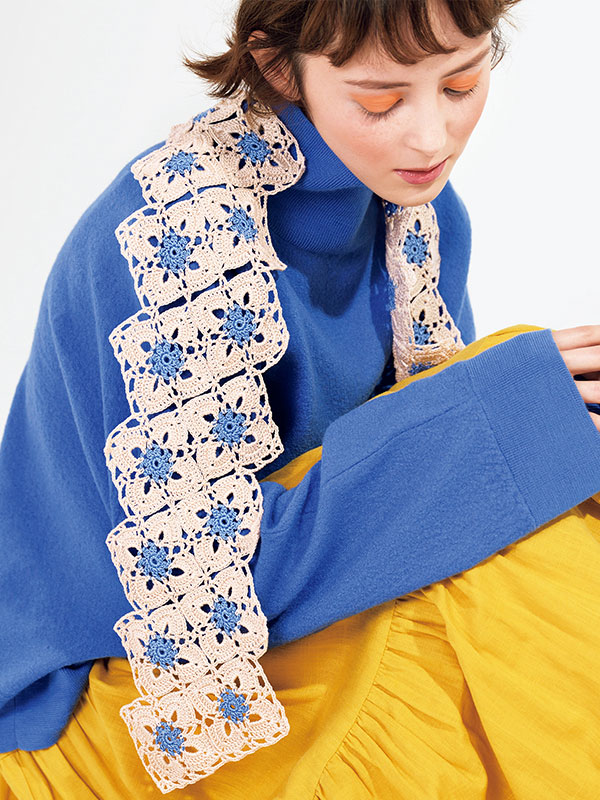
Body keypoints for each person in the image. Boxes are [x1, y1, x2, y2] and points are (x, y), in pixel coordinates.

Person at [1, 0, 600, 797]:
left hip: (306, 607)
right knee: (502, 564)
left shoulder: (418, 212)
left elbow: (427, 474)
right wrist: (498, 418)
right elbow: (210, 591)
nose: (432, 138)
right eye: (380, 100)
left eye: (461, 83)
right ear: (279, 66)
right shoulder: (176, 246)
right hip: (121, 675)